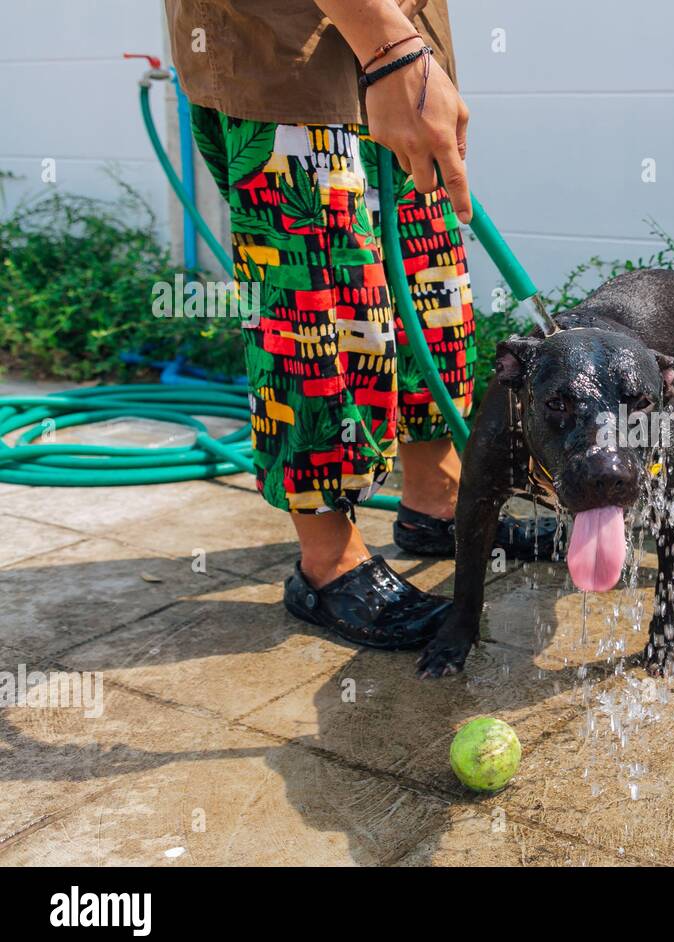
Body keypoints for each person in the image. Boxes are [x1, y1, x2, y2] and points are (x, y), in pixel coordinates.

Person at [165, 0, 544, 649]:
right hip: (286, 47)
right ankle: (326, 562)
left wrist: (401, 44)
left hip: (398, 38)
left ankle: (436, 503)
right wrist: (387, 45)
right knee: (314, 308)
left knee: (431, 289)